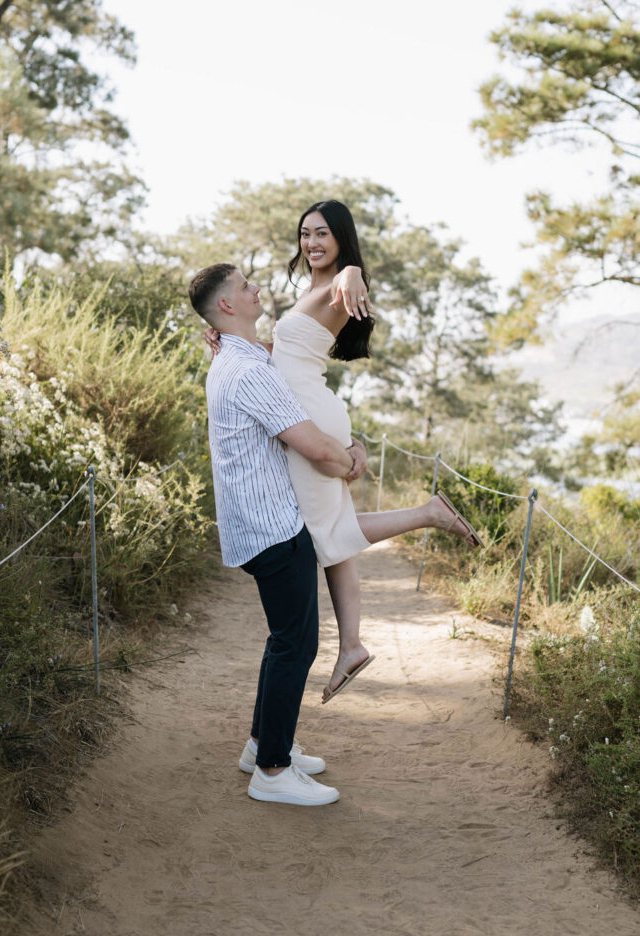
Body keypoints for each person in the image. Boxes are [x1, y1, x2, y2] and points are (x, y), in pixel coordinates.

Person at [205, 200, 484, 704]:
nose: (312, 243)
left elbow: (351, 278)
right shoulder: (312, 289)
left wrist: (352, 270)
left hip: (308, 411)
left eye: (324, 235)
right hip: (311, 405)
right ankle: (351, 643)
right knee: (328, 532)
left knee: (326, 533)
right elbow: (286, 356)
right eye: (305, 234)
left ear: (341, 240)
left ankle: (427, 514)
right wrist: (227, 341)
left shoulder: (341, 282)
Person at [188, 261, 367, 807]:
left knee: (283, 640)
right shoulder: (247, 370)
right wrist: (352, 461)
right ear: (226, 306)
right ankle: (272, 770)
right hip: (272, 527)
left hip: (255, 524)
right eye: (245, 286)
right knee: (297, 644)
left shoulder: (234, 360)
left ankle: (264, 744)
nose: (256, 288)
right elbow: (310, 443)